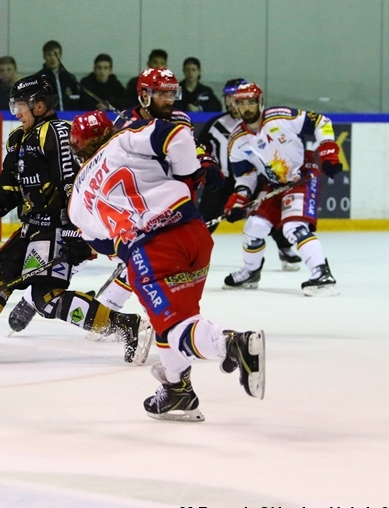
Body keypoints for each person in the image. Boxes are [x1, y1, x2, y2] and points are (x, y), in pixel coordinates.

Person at [0, 74, 152, 363]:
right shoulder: (18, 139)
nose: (16, 112)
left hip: (56, 229)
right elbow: (8, 188)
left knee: (32, 292)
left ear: (38, 105)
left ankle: (128, 326)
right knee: (19, 287)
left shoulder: (57, 134)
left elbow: (74, 186)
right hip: (31, 229)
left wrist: (76, 234)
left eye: (19, 105)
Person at [68, 109, 265, 422]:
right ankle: (178, 391)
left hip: (151, 250)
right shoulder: (124, 141)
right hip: (193, 233)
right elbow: (177, 135)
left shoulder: (76, 200)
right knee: (170, 319)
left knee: (175, 326)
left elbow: (103, 245)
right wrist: (183, 180)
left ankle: (231, 343)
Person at [8, 67, 221, 332]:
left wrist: (205, 162)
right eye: (162, 94)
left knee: (141, 263)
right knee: (87, 249)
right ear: (144, 95)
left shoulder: (178, 120)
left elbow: (192, 147)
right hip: (127, 207)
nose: (169, 100)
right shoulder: (124, 128)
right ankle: (35, 297)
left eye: (172, 93)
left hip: (164, 206)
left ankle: (124, 315)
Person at [223, 82, 340, 296]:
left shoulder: (281, 117)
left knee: (293, 227)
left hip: (302, 175)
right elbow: (246, 176)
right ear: (235, 106)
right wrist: (239, 201)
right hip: (275, 184)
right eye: (241, 103)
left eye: (251, 102)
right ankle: (251, 272)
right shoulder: (236, 141)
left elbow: (321, 122)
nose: (247, 108)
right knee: (254, 226)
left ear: (260, 102)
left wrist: (328, 152)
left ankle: (322, 274)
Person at [196, 78, 302, 269]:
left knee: (267, 213)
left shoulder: (261, 124)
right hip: (222, 182)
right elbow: (199, 148)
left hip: (252, 179)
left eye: (235, 97)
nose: (232, 102)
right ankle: (193, 253)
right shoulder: (216, 124)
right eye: (228, 97)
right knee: (206, 218)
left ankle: (284, 248)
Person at [35, 40, 82, 111]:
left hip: (69, 119)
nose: (52, 58)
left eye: (55, 54)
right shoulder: (38, 78)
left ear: (60, 56)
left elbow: (77, 102)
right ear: (44, 56)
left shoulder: (70, 78)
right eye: (49, 55)